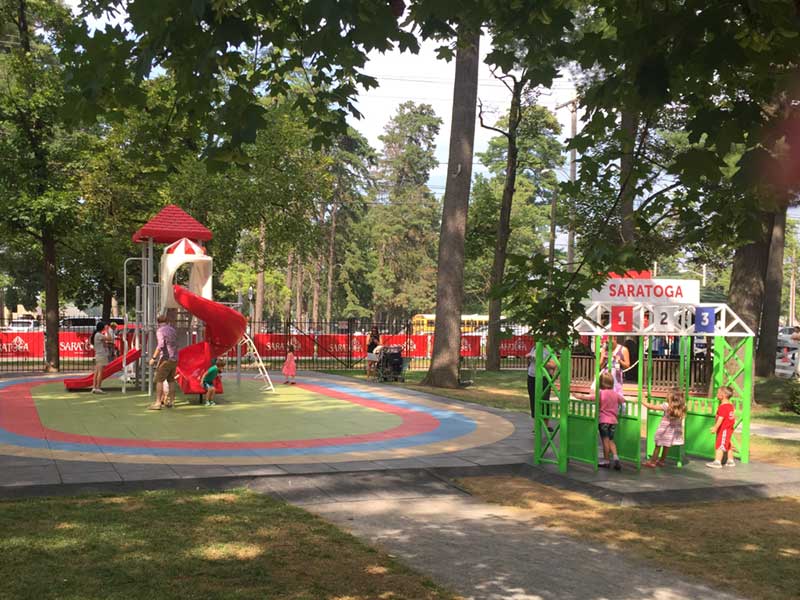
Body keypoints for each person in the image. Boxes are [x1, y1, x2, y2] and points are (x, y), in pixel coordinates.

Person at [578, 371, 625, 470]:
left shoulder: (601, 393)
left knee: (605, 441)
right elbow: (622, 400)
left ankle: (607, 460)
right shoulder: (615, 394)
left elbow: (591, 398)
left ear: (601, 383)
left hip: (603, 420)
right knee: (611, 440)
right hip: (613, 421)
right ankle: (616, 458)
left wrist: (579, 396)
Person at [642, 388, 687, 468]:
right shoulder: (682, 407)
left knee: (658, 445)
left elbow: (651, 406)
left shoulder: (667, 406)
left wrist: (642, 401)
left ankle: (652, 462)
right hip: (672, 432)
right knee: (666, 446)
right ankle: (662, 461)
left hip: (664, 430)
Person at [148, 314, 178, 410]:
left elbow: (160, 345)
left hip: (166, 359)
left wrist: (153, 358)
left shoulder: (160, 331)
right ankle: (172, 402)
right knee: (171, 380)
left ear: (158, 322)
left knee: (159, 380)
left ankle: (158, 403)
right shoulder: (172, 330)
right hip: (175, 358)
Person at [526, 344, 557, 429]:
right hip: (532, 376)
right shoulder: (535, 347)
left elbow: (553, 365)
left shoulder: (549, 350)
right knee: (533, 400)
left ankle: (546, 424)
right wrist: (529, 357)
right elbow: (530, 359)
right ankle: (536, 425)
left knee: (544, 400)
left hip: (544, 377)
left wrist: (540, 361)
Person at [707, 386, 736, 469]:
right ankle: (730, 460)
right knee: (728, 444)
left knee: (720, 444)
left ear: (723, 395)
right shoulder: (730, 406)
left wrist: (715, 427)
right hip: (729, 428)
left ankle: (717, 462)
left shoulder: (723, 407)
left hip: (724, 429)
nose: (717, 394)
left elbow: (720, 419)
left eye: (718, 393)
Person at [91, 321, 113, 394]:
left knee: (96, 373)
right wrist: (107, 330)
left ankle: (94, 387)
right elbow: (110, 338)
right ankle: (98, 387)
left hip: (98, 355)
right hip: (101, 356)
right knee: (100, 373)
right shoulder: (99, 335)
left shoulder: (96, 335)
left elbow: (104, 343)